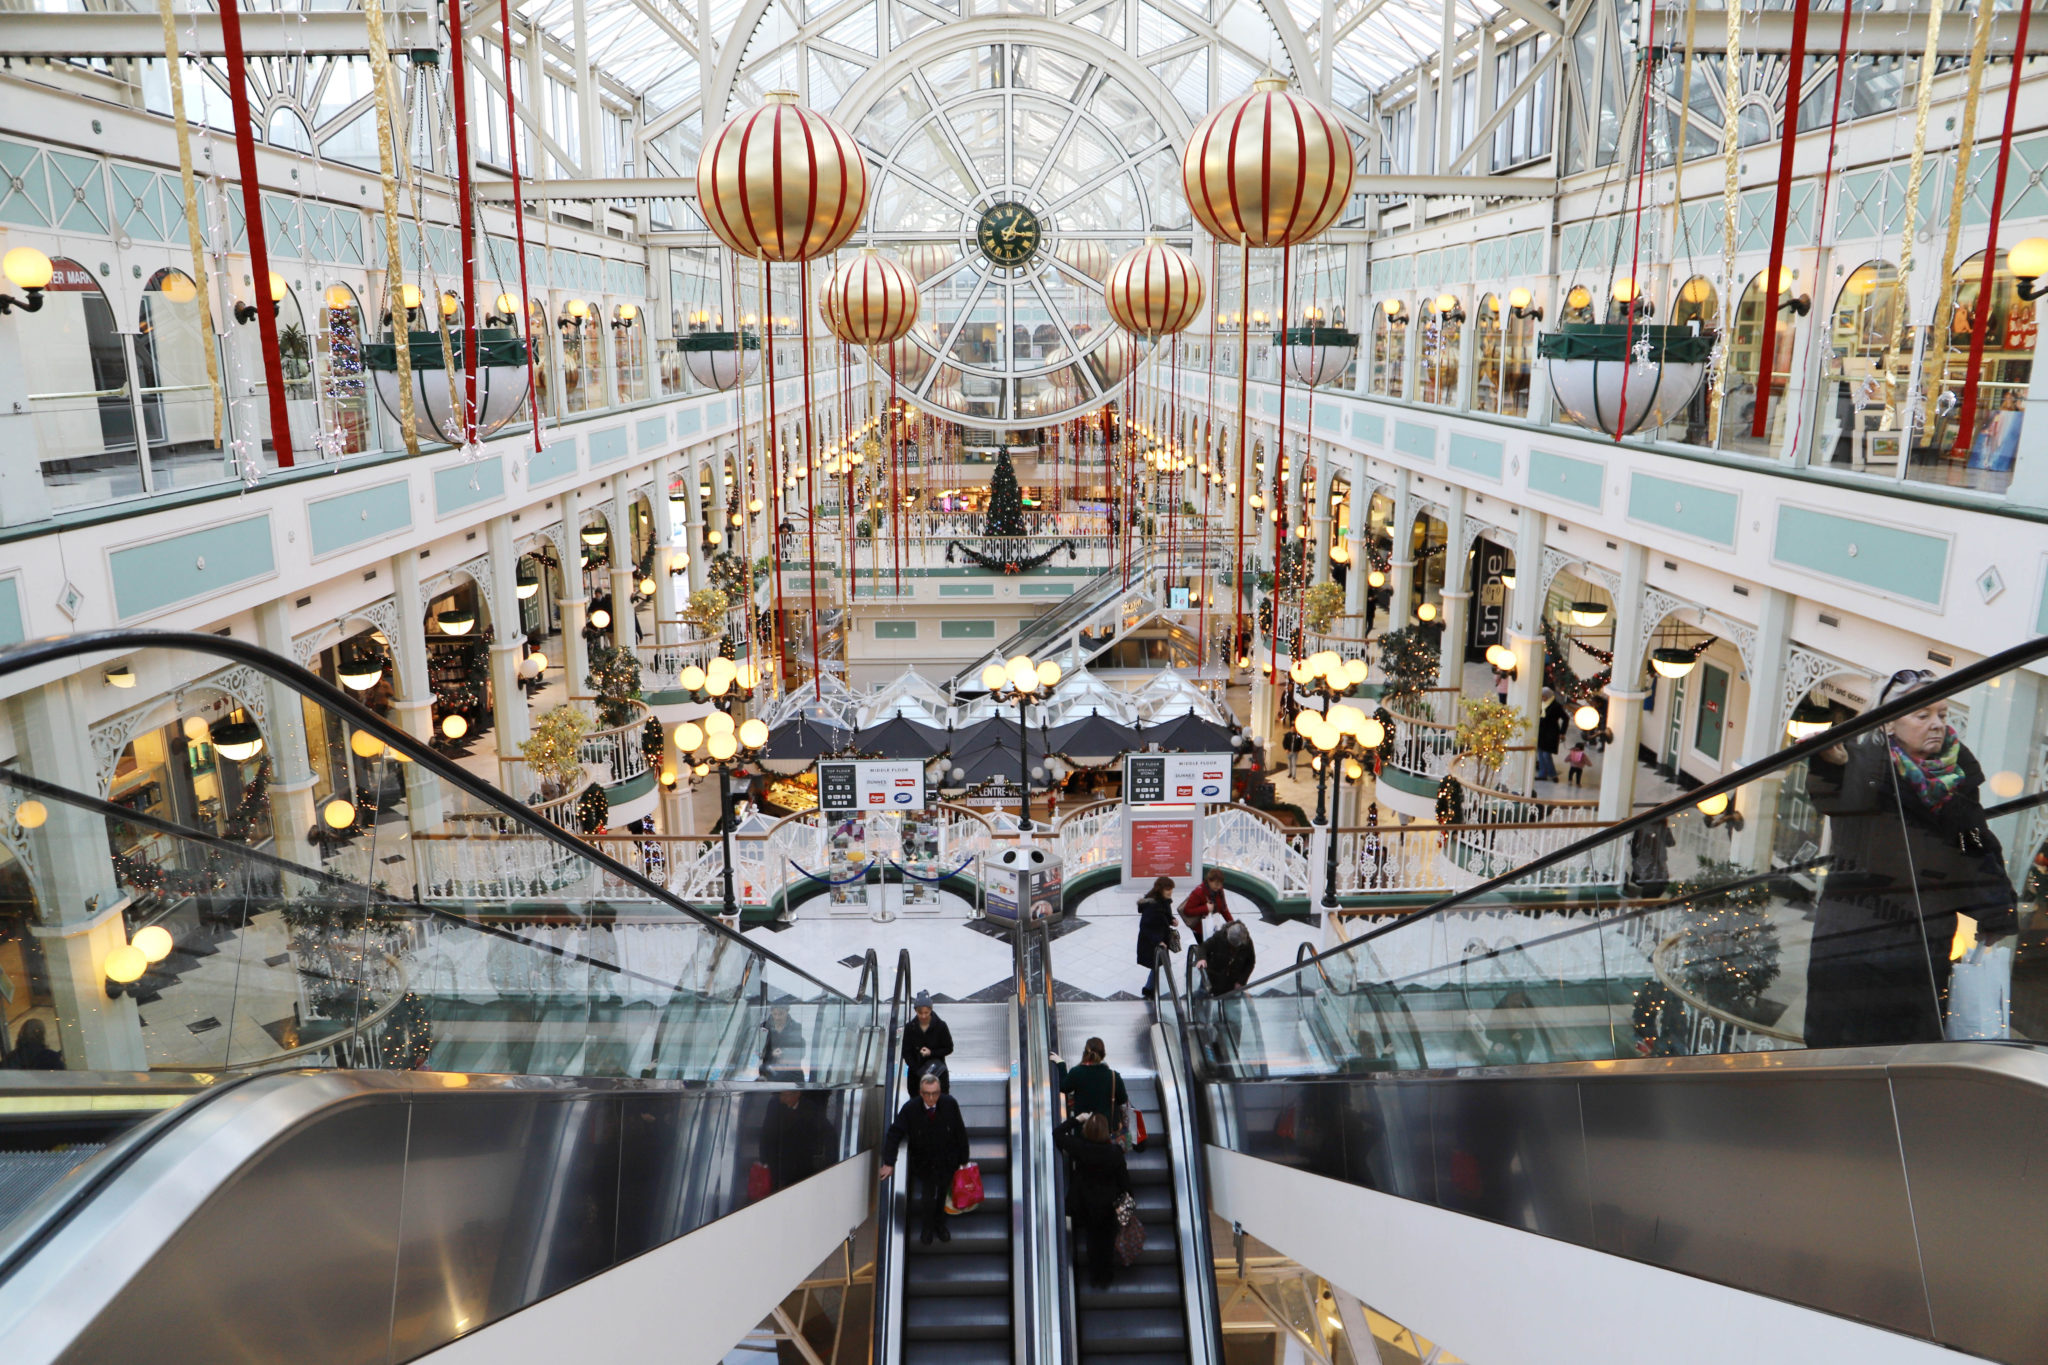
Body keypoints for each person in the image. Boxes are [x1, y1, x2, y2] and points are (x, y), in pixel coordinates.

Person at [1804, 670, 2017, 1047]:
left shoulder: (1956, 773)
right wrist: (1828, 765)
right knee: (1840, 1047)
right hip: (1855, 934)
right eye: (1923, 715)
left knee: (1907, 1044)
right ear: (1888, 723)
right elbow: (1838, 800)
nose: (1936, 724)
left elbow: (1971, 842)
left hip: (1921, 935)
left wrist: (1994, 909)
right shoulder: (1861, 761)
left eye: (1943, 714)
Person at [879, 1070, 969, 1244]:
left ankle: (940, 1224)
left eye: (935, 1093)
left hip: (946, 1161)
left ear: (940, 1092)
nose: (931, 1098)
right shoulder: (911, 1108)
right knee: (927, 1196)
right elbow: (894, 1133)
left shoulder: (949, 1104)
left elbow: (960, 1131)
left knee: (943, 1194)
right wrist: (889, 1162)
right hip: (924, 1162)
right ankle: (927, 1227)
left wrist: (963, 1159)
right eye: (927, 1094)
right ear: (921, 1093)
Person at [1054, 1112, 1131, 1290]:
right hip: (1109, 1205)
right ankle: (1106, 1277)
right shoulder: (1115, 1152)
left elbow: (1057, 1134)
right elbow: (1124, 1180)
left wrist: (1077, 1119)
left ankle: (1095, 1276)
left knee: (1092, 1239)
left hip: (1086, 1204)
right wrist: (1127, 1200)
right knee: (1107, 1240)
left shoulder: (1081, 1148)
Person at [760, 1088, 830, 1191]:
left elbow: (823, 1135)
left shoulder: (810, 1109)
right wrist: (764, 1158)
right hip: (778, 1162)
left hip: (800, 1165)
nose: (782, 1099)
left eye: (785, 1095)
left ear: (797, 1094)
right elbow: (766, 1133)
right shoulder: (774, 1105)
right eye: (781, 1095)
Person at [1057, 1036, 1129, 1127]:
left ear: (1085, 1053)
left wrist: (1061, 1065)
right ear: (1103, 1054)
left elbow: (1064, 1087)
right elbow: (1122, 1099)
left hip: (1083, 1129)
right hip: (1106, 1131)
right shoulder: (1114, 1076)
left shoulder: (1077, 1072)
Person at [900, 990, 954, 1099]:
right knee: (917, 1107)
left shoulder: (941, 1026)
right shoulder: (910, 1027)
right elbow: (906, 1052)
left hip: (937, 1073)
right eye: (920, 1013)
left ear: (931, 1010)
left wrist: (931, 1052)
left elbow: (949, 1048)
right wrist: (917, 1070)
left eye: (926, 1012)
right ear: (916, 1011)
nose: (923, 1016)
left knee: (940, 1106)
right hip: (916, 1076)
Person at [1135, 876, 1176, 998]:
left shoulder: (1164, 901)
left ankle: (1149, 989)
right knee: (1158, 963)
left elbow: (1164, 916)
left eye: (1171, 889)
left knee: (1158, 964)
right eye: (1168, 889)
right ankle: (1149, 989)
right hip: (1152, 942)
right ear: (1160, 890)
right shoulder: (1153, 906)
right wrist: (1158, 941)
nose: (1170, 892)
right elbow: (1145, 927)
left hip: (1160, 939)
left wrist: (1172, 919)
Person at [1201, 920, 1258, 995]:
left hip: (1232, 984)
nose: (1232, 947)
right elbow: (1203, 948)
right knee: (1203, 996)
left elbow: (1250, 962)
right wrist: (1201, 958)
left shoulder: (1247, 943)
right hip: (1213, 979)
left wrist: (1241, 981)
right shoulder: (1219, 937)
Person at [1178, 868, 1234, 941]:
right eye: (1216, 884)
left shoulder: (1219, 891)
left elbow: (1224, 909)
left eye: (1220, 884)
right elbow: (1187, 910)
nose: (1218, 886)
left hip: (1214, 925)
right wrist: (1205, 908)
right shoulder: (1199, 892)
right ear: (1209, 881)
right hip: (1201, 930)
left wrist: (1233, 924)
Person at [760, 1002, 806, 1081]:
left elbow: (801, 1052)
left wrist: (784, 1052)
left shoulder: (796, 1027)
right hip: (769, 1072)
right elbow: (758, 1051)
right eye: (775, 1014)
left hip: (790, 1072)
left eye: (781, 1014)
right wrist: (771, 1054)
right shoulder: (764, 1028)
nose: (777, 1017)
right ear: (771, 1012)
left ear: (787, 1011)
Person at [1535, 688, 1569, 783]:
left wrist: (1562, 732)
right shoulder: (1541, 704)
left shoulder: (1556, 706)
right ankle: (1543, 774)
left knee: (1546, 754)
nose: (1542, 698)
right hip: (1541, 732)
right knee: (1541, 754)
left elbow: (1566, 718)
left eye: (1543, 696)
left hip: (1551, 733)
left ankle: (1553, 774)